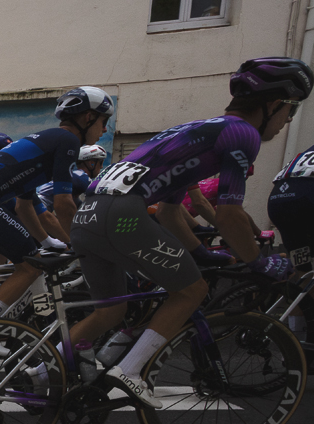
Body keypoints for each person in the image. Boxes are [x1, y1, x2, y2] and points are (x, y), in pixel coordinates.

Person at [69, 57, 311, 406]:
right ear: (272, 103)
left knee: (110, 310)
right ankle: (132, 371)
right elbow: (228, 216)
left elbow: (169, 212)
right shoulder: (241, 133)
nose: (288, 120)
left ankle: (43, 374)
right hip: (121, 215)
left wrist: (199, 252)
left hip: (88, 216)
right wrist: (259, 261)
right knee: (191, 290)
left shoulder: (197, 130)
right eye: (289, 109)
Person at [0, 86, 110, 323]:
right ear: (88, 117)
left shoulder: (43, 143)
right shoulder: (68, 140)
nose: (105, 129)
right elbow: (63, 204)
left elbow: (24, 206)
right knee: (30, 267)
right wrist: (83, 248)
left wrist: (50, 241)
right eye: (104, 121)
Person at [269, 141, 314, 342]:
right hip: (306, 200)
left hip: (279, 201)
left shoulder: (307, 151)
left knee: (303, 273)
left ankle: (296, 344)